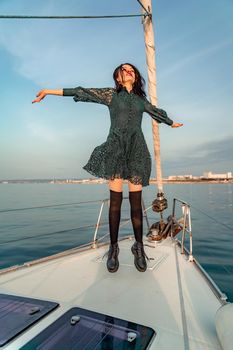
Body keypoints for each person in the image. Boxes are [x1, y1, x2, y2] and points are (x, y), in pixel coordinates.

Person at [32, 63, 183, 273]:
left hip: (137, 152)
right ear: (119, 78)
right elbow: (82, 92)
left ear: (136, 77)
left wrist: (171, 122)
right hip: (115, 149)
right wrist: (49, 91)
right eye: (124, 69)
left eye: (132, 69)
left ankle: (138, 247)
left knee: (136, 205)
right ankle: (113, 249)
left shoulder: (141, 100)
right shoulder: (111, 95)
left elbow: (156, 113)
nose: (129, 71)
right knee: (115, 203)